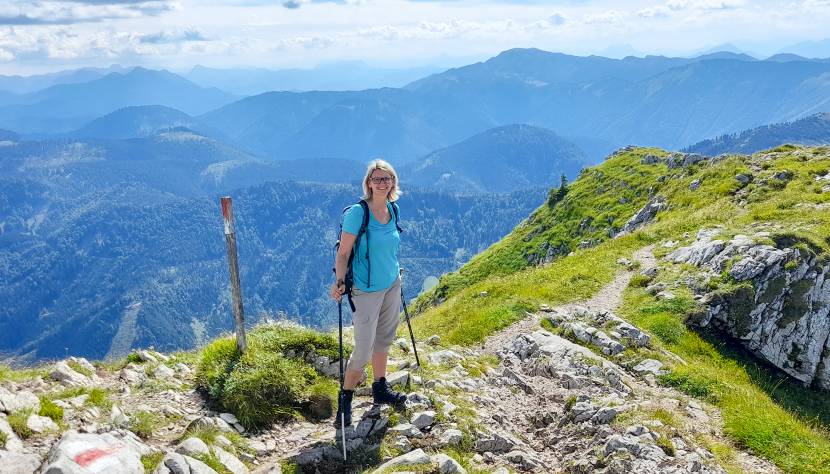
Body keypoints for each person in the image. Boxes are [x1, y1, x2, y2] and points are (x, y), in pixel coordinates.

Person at [330, 159, 406, 426]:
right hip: (364, 290)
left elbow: (389, 247)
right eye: (377, 179)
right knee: (363, 349)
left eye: (387, 178)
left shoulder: (393, 210)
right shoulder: (358, 213)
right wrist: (340, 281)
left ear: (393, 182)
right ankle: (346, 399)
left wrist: (395, 271)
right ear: (368, 183)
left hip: (391, 284)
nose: (382, 183)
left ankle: (380, 388)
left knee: (384, 340)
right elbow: (343, 253)